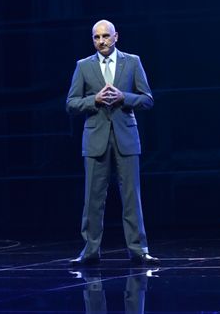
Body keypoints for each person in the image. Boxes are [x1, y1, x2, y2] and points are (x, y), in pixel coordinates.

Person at [66, 20, 159, 266]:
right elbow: (71, 103)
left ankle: (139, 250)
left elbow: (147, 99)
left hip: (125, 137)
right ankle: (90, 251)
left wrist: (123, 97)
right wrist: (94, 100)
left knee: (131, 197)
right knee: (92, 199)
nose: (101, 41)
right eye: (96, 37)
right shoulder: (83, 66)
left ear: (116, 36)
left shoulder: (133, 62)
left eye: (106, 36)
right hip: (95, 139)